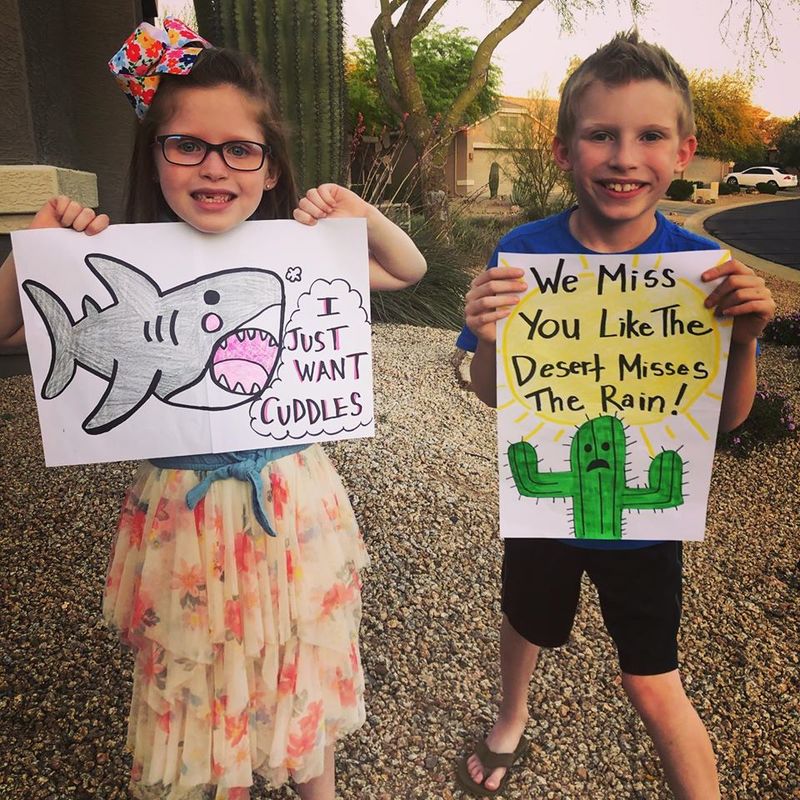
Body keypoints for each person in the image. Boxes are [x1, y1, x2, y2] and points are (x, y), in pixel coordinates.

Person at [0, 18, 425, 800]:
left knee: (300, 647)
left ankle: (314, 787)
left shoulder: (298, 251)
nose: (213, 167)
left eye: (240, 149)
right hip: (183, 518)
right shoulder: (114, 252)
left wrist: (359, 212)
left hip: (294, 499)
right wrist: (35, 249)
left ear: (269, 169)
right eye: (186, 145)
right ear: (155, 156)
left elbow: (408, 266)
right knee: (194, 671)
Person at [456, 31, 775, 799]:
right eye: (601, 134)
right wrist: (491, 339)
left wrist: (745, 342)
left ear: (685, 149)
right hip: (545, 509)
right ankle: (511, 716)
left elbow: (727, 424)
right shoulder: (522, 251)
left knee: (653, 680)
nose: (625, 156)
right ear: (566, 150)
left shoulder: (704, 275)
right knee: (526, 620)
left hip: (648, 523)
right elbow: (496, 394)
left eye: (650, 135)